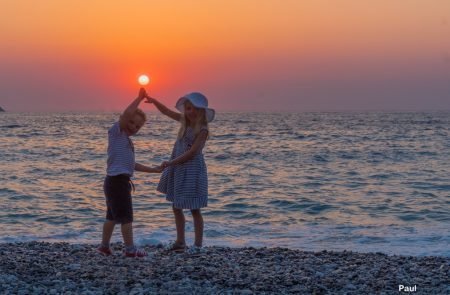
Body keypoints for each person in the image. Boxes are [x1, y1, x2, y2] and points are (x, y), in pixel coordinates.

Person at [145, 92, 215, 253]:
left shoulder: (202, 130)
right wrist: (154, 100)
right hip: (179, 168)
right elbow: (167, 112)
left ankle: (197, 245)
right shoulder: (184, 122)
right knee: (176, 206)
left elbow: (193, 153)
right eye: (188, 108)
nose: (191, 112)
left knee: (194, 208)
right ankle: (180, 241)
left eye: (195, 109)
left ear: (202, 111)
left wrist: (171, 163)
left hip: (192, 170)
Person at [98, 88, 162, 257]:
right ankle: (130, 250)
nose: (134, 127)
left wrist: (155, 170)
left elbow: (133, 165)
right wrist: (139, 99)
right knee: (126, 217)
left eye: (138, 126)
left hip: (117, 182)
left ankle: (104, 246)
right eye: (132, 122)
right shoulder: (116, 133)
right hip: (116, 182)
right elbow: (125, 115)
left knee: (111, 217)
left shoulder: (127, 142)